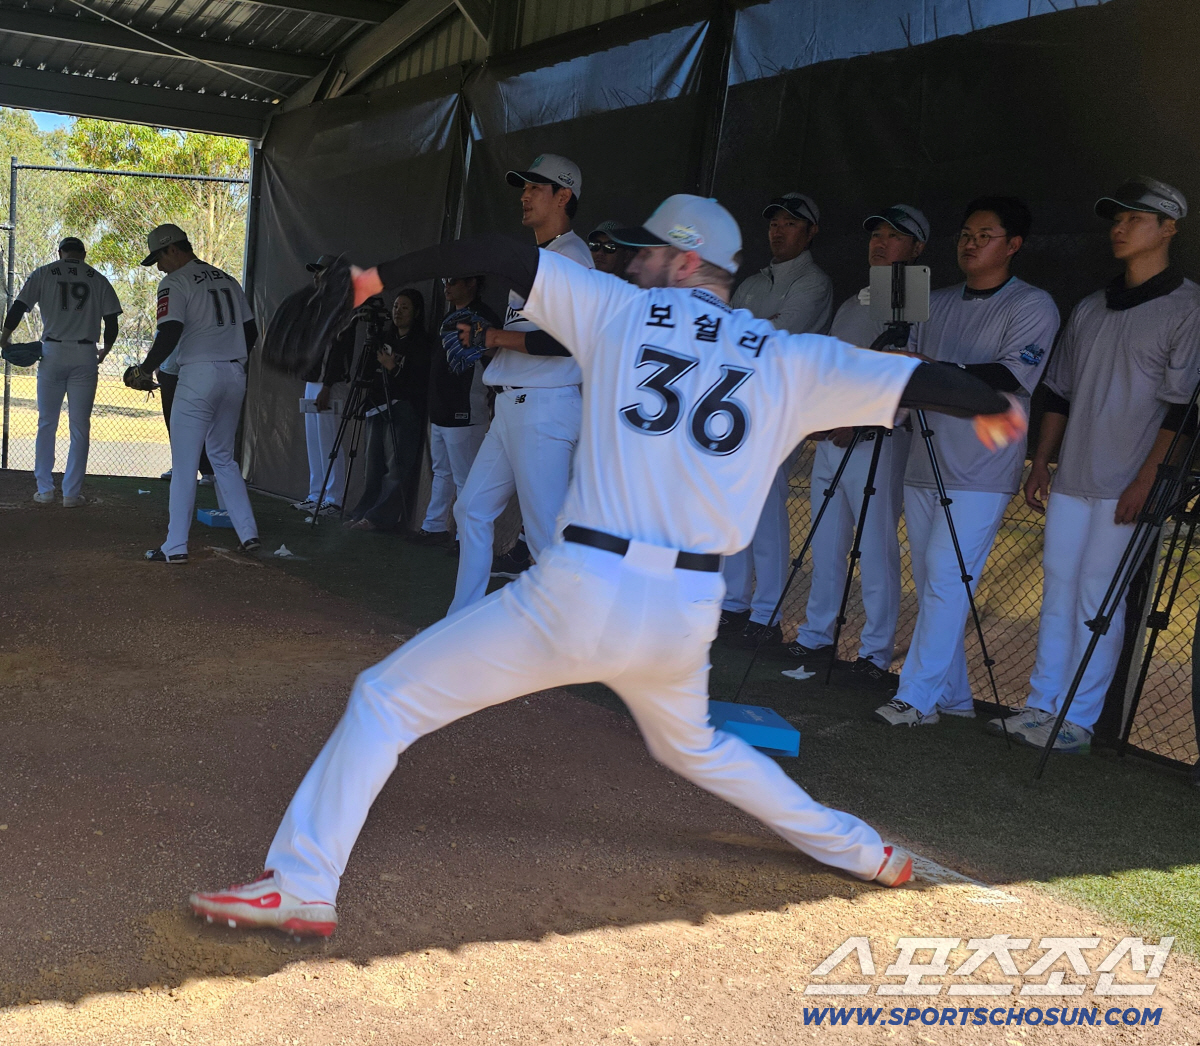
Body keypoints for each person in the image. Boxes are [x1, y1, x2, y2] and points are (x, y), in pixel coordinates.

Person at [188, 194, 1025, 936]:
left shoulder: (622, 311)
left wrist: (374, 280)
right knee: (694, 746)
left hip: (584, 589)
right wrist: (992, 404)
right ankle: (866, 852)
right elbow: (923, 378)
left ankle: (302, 883)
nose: (631, 262)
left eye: (648, 252)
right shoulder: (789, 354)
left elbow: (500, 255)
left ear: (688, 262)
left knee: (386, 696)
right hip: (686, 608)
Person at [994, 177, 1200, 754]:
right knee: (1058, 592)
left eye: (1135, 218)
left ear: (1169, 228)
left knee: (1095, 600)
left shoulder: (1189, 307)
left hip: (1126, 485)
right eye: (1116, 218)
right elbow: (1056, 393)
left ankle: (1076, 721)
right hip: (1072, 478)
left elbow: (1184, 412)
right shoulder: (1088, 306)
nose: (1120, 227)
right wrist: (1041, 462)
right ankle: (1040, 706)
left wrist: (1149, 479)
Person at [874, 197, 1060, 726]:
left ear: (1013, 245)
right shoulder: (934, 301)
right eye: (965, 234)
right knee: (934, 577)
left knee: (946, 581)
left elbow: (1009, 376)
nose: (971, 243)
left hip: (981, 468)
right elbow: (901, 363)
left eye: (985, 234)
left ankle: (916, 697)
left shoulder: (1033, 305)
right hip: (923, 458)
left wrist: (932, 368)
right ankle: (950, 697)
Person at [446, 153, 593, 613]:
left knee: (546, 532)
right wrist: (488, 341)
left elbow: (567, 343)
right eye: (523, 187)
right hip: (515, 405)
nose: (525, 196)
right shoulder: (539, 258)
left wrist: (490, 335)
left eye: (535, 187)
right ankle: (464, 617)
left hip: (545, 407)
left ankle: (572, 637)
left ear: (563, 195)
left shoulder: (571, 257)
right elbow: (526, 337)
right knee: (471, 509)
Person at [790, 206, 929, 685]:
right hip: (832, 437)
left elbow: (905, 375)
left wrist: (860, 419)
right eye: (877, 234)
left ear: (917, 249)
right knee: (826, 543)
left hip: (877, 440)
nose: (881, 242)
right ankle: (815, 636)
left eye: (895, 236)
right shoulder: (856, 300)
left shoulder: (913, 300)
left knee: (875, 548)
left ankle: (874, 653)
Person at [721, 192, 833, 650]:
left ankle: (767, 615)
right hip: (738, 406)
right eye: (775, 223)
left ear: (810, 232)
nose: (779, 230)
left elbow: (774, 339)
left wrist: (747, 330)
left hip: (782, 408)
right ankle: (733, 605)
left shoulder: (814, 281)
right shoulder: (750, 282)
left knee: (765, 509)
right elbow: (730, 335)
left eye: (791, 223)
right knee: (733, 506)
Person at [132, 223, 260, 564]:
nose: (159, 266)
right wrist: (230, 356)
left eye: (159, 257)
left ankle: (176, 545)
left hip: (198, 374)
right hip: (234, 373)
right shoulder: (227, 279)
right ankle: (248, 532)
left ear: (174, 249)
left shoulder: (175, 281)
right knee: (222, 456)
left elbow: (170, 331)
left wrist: (144, 370)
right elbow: (252, 331)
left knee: (185, 462)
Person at [1, 236, 121, 507]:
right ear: (84, 255)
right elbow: (112, 322)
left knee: (47, 423)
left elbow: (19, 307)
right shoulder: (98, 277)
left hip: (52, 352)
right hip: (85, 353)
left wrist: (5, 337)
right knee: (79, 427)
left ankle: (44, 489)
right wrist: (106, 350)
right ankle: (70, 493)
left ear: (61, 253)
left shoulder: (44, 272)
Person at [410, 276, 501, 547]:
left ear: (472, 283)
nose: (447, 286)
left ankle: (465, 536)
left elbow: (495, 356)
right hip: (440, 407)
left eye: (454, 281)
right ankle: (434, 526)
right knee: (442, 471)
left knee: (466, 475)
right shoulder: (449, 315)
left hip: (465, 407)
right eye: (444, 281)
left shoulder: (483, 316)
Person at [338, 290, 433, 532]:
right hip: (376, 407)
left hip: (404, 409)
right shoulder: (383, 338)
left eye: (405, 308)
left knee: (396, 467)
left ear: (417, 313)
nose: (398, 312)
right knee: (373, 468)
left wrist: (393, 368)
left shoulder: (422, 343)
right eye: (396, 306)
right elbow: (366, 372)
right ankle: (362, 512)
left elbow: (418, 382)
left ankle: (379, 518)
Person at [294, 255, 347, 516]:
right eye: (315, 271)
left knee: (329, 442)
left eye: (322, 271)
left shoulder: (342, 305)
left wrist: (328, 384)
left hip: (330, 384)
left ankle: (334, 499)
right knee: (314, 441)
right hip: (312, 382)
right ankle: (315, 495)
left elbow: (339, 352)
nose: (316, 276)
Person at [157, 351, 214, 486]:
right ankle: (179, 468)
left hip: (194, 373)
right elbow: (160, 341)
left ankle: (207, 471)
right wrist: (157, 368)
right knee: (174, 424)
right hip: (169, 373)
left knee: (198, 422)